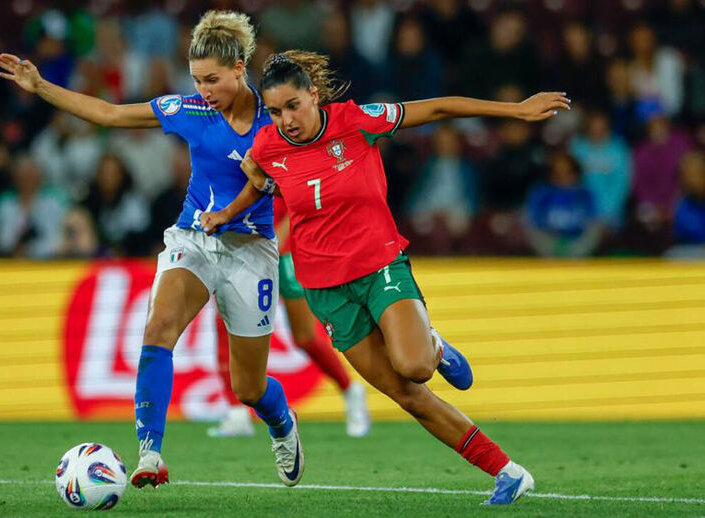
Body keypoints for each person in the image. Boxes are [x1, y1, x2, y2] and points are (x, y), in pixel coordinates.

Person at [201, 50, 570, 505]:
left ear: (313, 95)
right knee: (406, 393)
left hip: (379, 266)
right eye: (275, 112)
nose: (286, 121)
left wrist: (514, 110)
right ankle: (507, 472)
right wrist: (227, 214)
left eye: (293, 106)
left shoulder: (355, 121)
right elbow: (257, 181)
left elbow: (438, 108)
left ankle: (434, 345)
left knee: (415, 366)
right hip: (325, 289)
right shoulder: (267, 146)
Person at [0, 10, 304, 488]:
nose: (203, 90)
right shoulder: (190, 110)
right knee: (158, 328)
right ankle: (150, 453)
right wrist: (41, 87)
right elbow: (111, 114)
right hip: (194, 239)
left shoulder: (274, 117)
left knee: (248, 387)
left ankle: (281, 421)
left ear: (240, 69)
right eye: (197, 79)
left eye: (212, 80)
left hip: (251, 249)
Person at [210, 195, 371, 439]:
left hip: (283, 252)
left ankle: (350, 390)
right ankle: (237, 413)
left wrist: (277, 240)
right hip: (241, 251)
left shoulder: (272, 170)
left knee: (305, 337)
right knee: (225, 326)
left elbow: (298, 203)